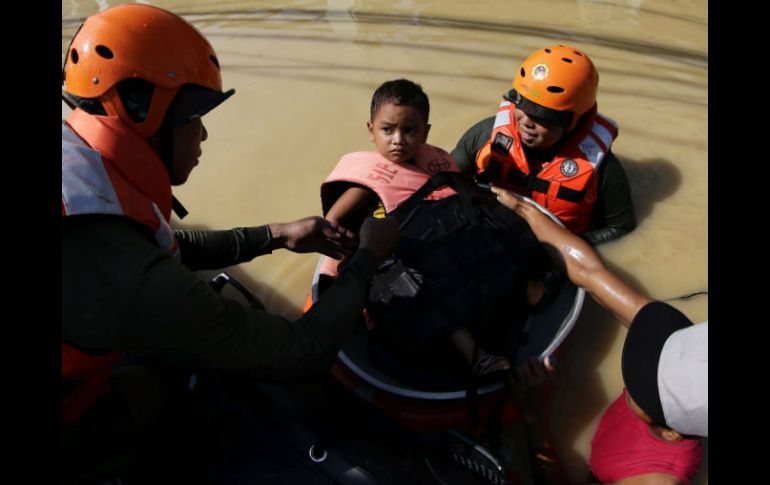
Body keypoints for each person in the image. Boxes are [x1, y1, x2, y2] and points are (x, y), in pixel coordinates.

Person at [61, 4, 400, 481]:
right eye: (194, 116)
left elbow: (160, 246)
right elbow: (300, 350)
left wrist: (275, 235)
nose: (203, 134)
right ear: (143, 112)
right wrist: (368, 258)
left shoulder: (77, 164)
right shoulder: (127, 276)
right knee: (177, 388)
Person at [492, 186, 706, 485]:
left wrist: (534, 415)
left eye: (641, 387)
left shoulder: (656, 478)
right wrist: (523, 209)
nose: (638, 365)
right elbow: (589, 271)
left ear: (670, 432)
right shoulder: (673, 340)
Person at [319, 79, 525, 380]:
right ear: (370, 130)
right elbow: (331, 225)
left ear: (426, 132)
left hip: (440, 247)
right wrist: (349, 263)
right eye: (388, 130)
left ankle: (525, 292)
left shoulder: (437, 162)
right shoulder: (365, 184)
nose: (398, 140)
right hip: (398, 263)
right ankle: (476, 356)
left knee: (494, 234)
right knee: (422, 287)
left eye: (410, 130)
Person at [451, 44, 636, 245]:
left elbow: (621, 227)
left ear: (573, 120)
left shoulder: (604, 169)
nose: (527, 122)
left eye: (543, 116)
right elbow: (445, 184)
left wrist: (568, 247)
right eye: (523, 106)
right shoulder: (484, 135)